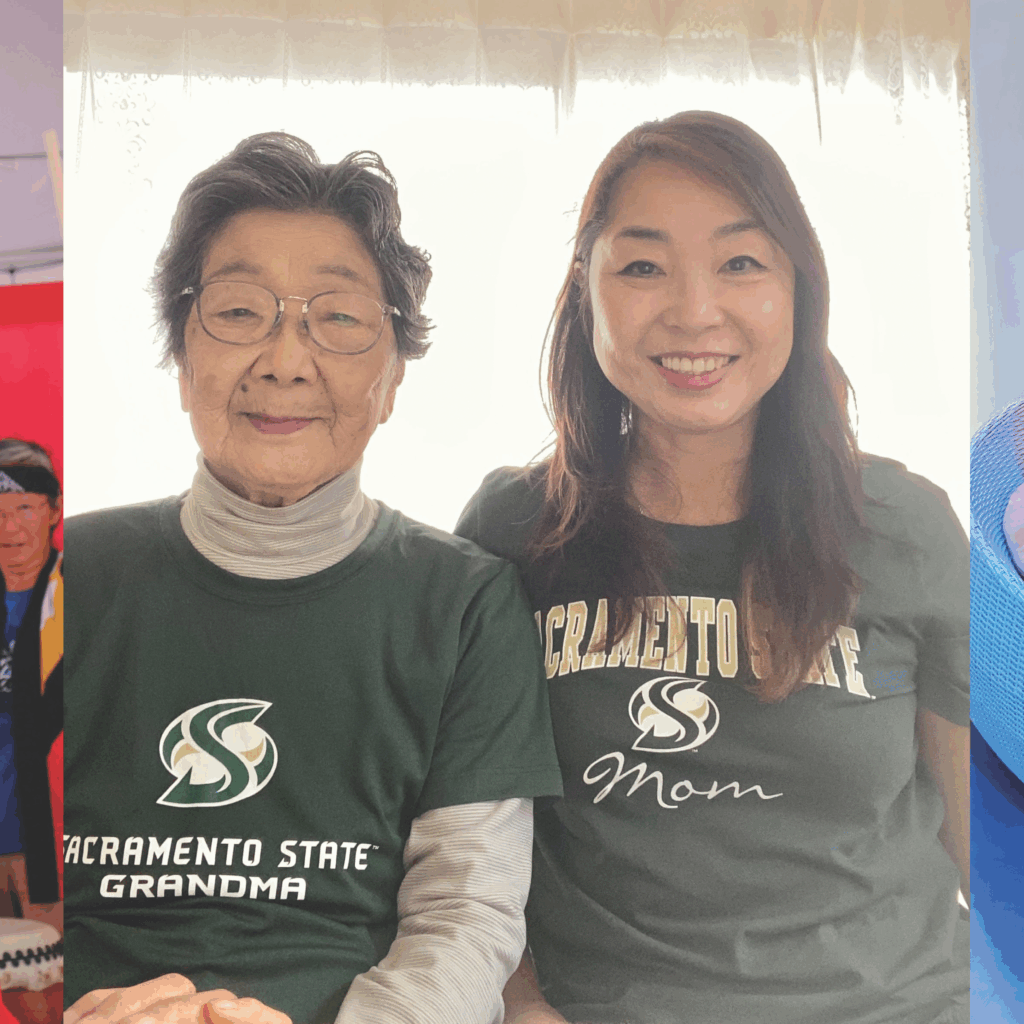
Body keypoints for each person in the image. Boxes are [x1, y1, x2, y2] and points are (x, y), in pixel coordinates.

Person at [455, 111, 969, 1024]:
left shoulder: (905, 528)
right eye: (644, 265)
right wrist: (522, 1002)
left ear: (799, 287)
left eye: (741, 263)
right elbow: (469, 840)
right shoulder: (515, 530)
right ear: (586, 290)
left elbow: (988, 834)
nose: (695, 312)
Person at [63, 133, 562, 1024]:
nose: (285, 362)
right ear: (182, 356)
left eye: (336, 318)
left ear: (394, 373)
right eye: (240, 311)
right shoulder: (71, 576)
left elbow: (467, 910)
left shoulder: (465, 605)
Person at [0, 439, 63, 933]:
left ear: (54, 511)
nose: (9, 528)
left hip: (46, 843)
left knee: (46, 995)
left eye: (24, 508)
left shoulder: (84, 595)